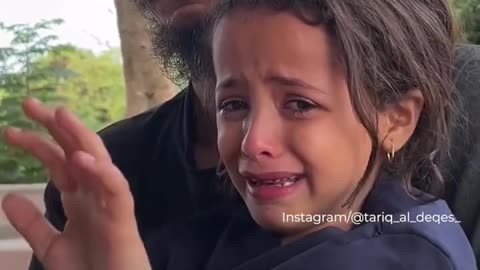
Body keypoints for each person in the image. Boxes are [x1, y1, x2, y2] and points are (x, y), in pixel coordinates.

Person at [2, 0, 477, 269]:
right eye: (234, 105)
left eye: (299, 104)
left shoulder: (402, 254)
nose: (252, 142)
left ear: (396, 118)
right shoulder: (240, 227)